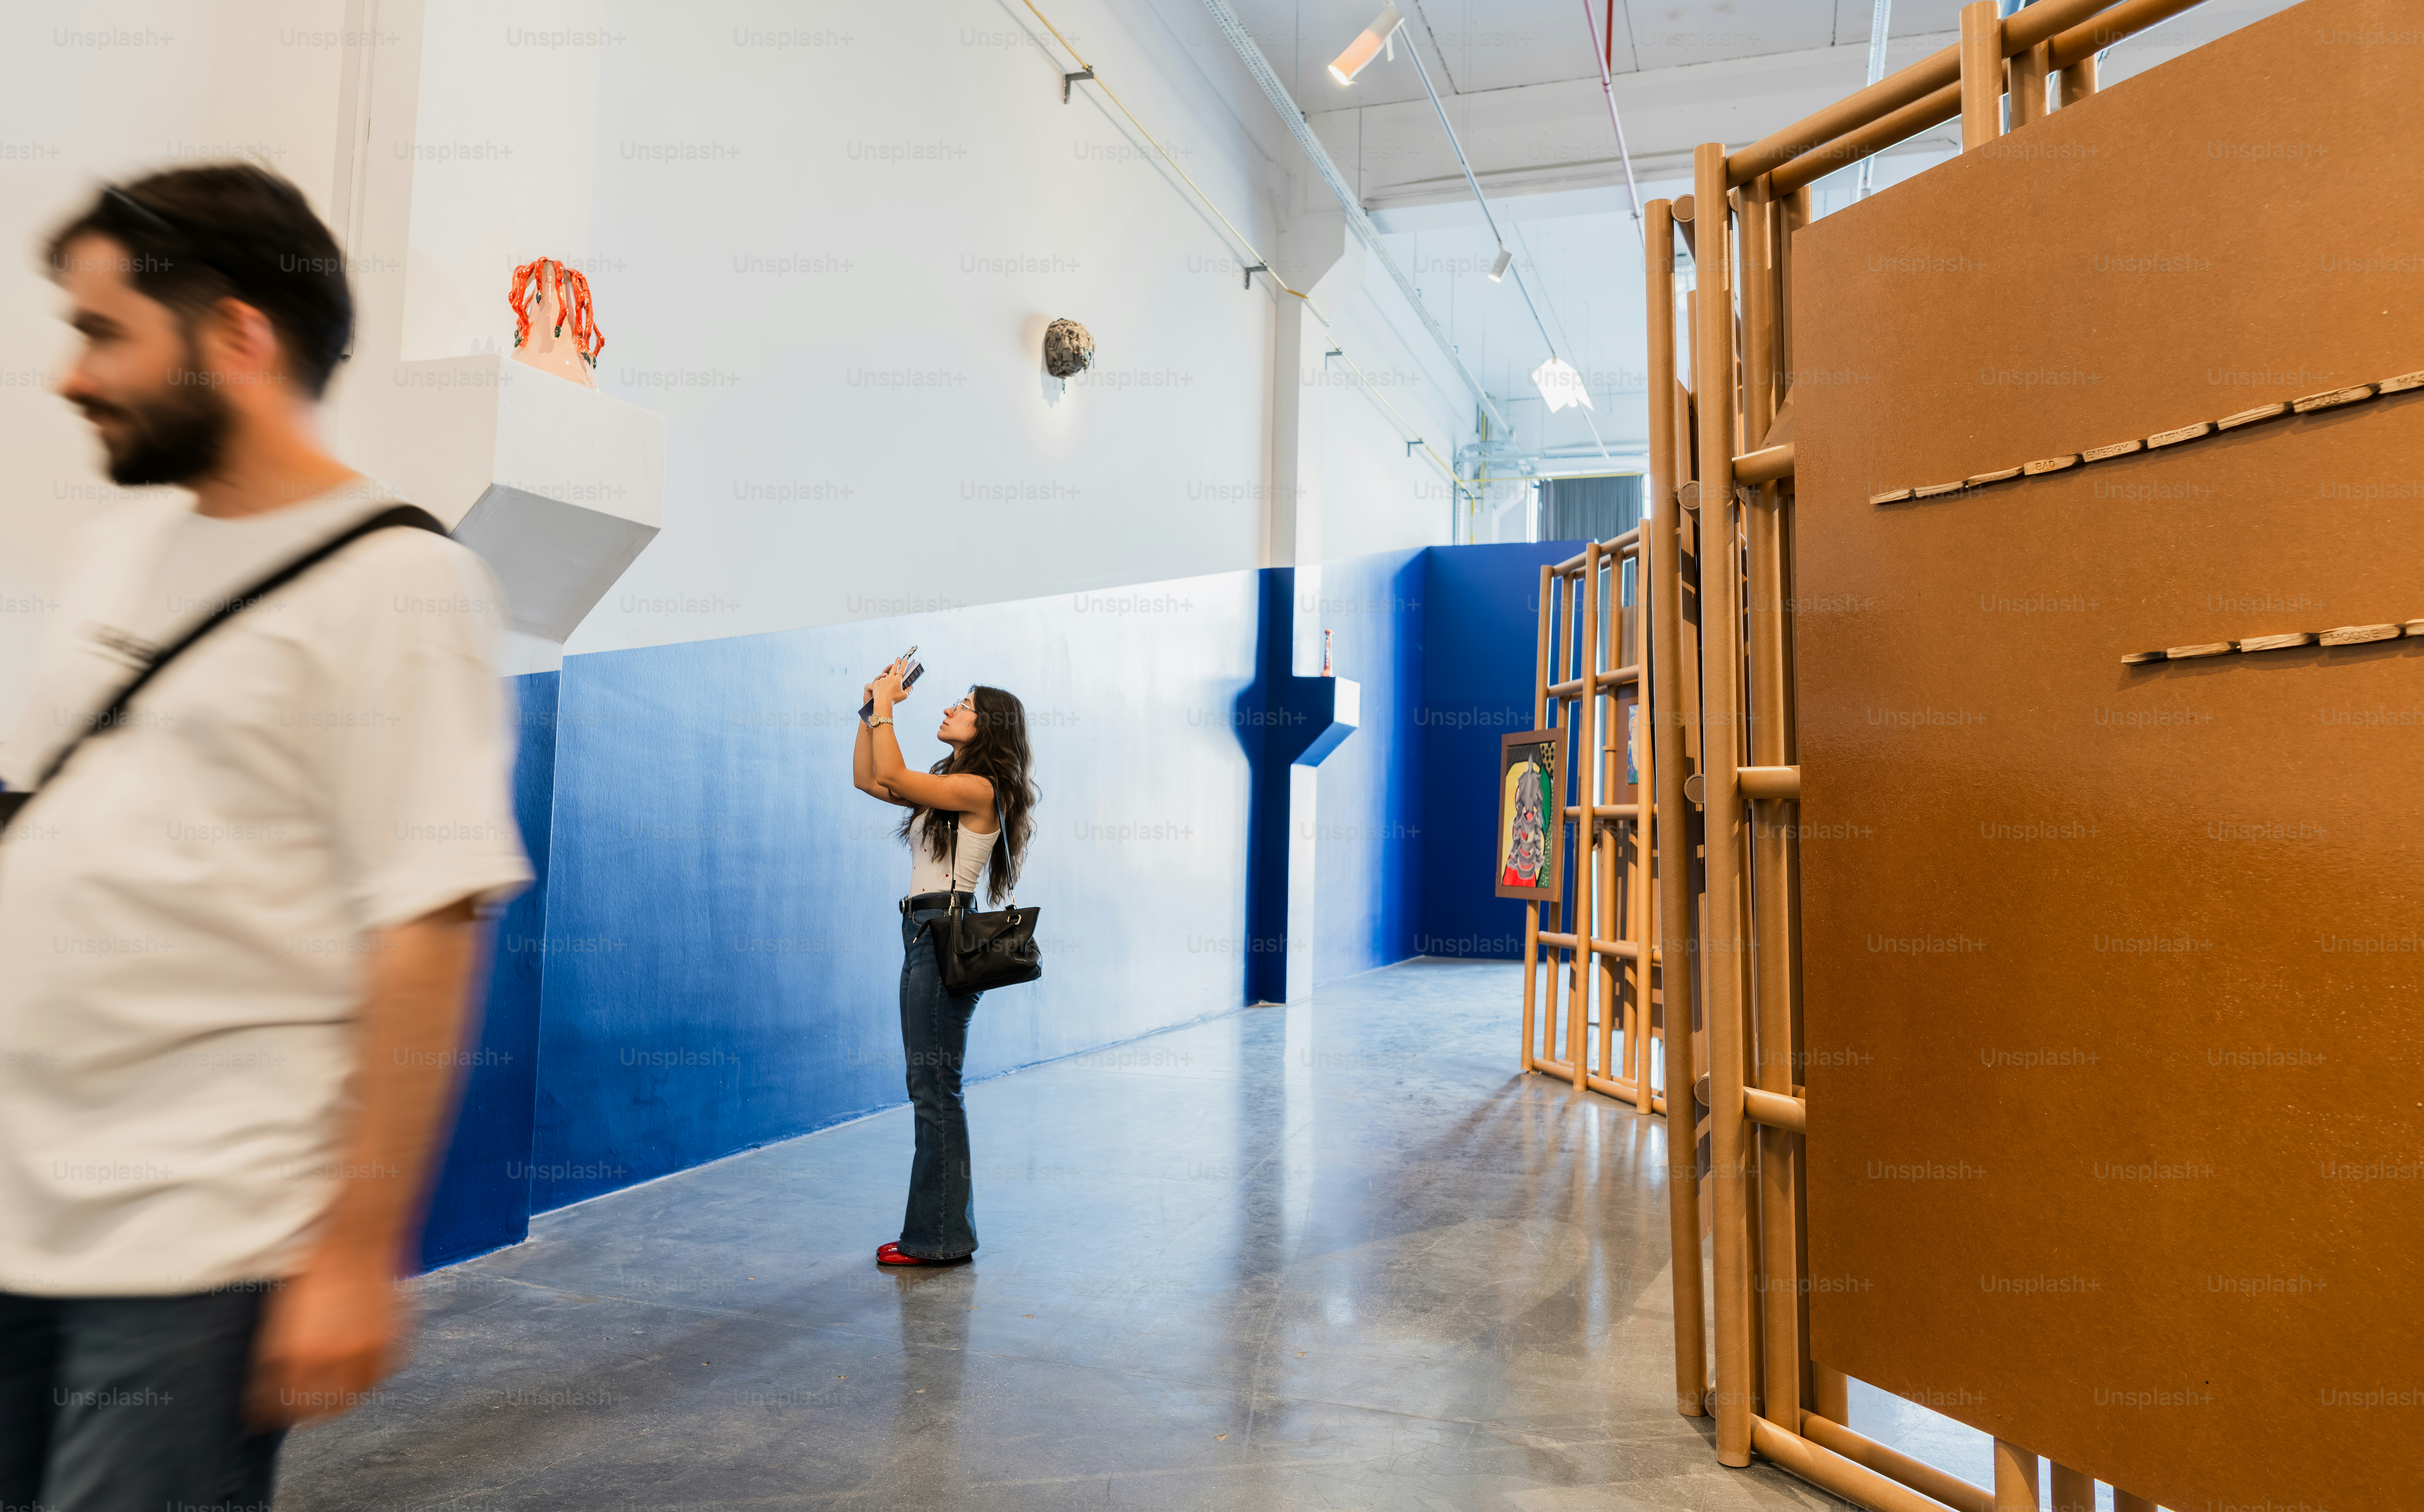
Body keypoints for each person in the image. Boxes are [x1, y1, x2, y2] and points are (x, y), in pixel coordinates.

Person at [0, 164, 530, 1506]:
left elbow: (425, 927)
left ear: (238, 335)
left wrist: (358, 1247)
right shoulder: (124, 552)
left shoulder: (403, 585)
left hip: (196, 1236)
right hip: (19, 1207)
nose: (72, 377)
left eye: (104, 332)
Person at [850, 661, 1035, 1267]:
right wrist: (869, 709)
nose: (951, 708)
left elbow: (894, 770)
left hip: (940, 935)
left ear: (989, 728)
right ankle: (939, 1231)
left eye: (964, 704)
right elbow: (872, 779)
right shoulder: (951, 783)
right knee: (931, 1089)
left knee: (935, 1091)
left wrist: (888, 709)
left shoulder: (981, 789)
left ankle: (939, 1238)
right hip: (921, 931)